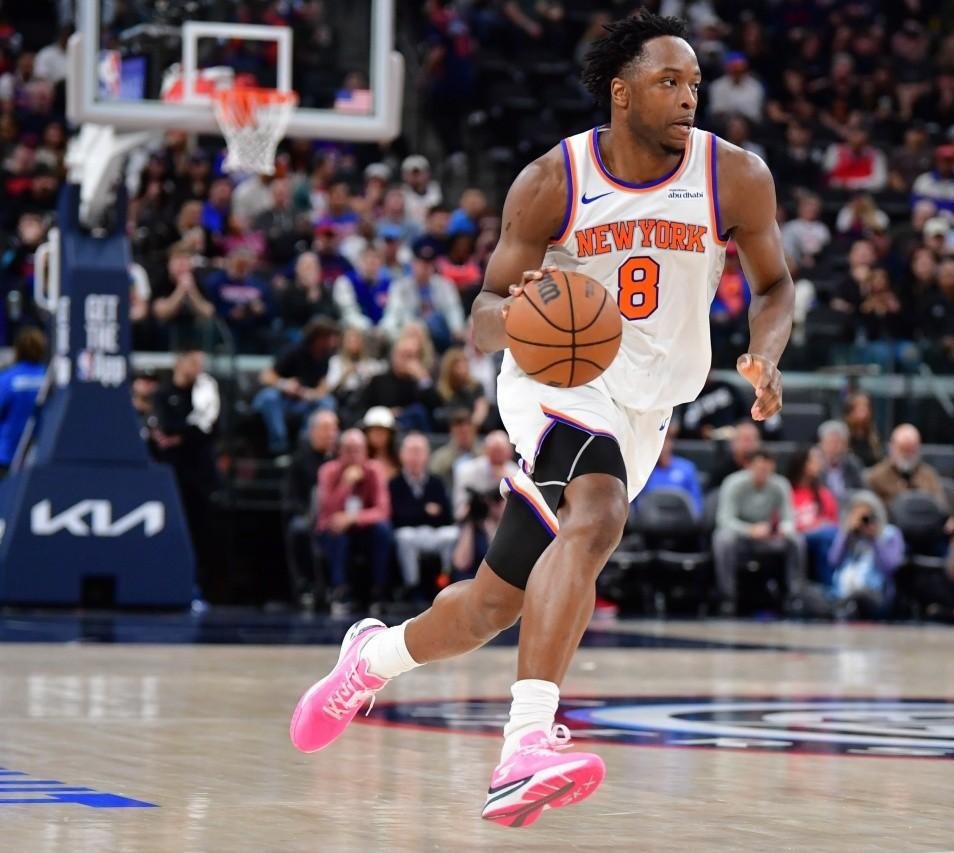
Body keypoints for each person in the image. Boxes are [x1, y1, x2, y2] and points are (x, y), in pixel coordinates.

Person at [289, 13, 794, 827]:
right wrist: (517, 313)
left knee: (494, 604)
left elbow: (774, 286)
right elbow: (483, 315)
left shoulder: (734, 175)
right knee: (598, 514)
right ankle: (524, 745)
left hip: (646, 406)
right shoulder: (552, 181)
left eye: (694, 84)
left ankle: (371, 658)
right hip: (556, 378)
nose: (687, 98)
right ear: (621, 92)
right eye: (668, 82)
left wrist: (765, 355)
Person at [149, 349, 220, 600]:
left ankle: (198, 588)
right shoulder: (163, 393)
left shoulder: (206, 392)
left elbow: (210, 430)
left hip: (201, 476)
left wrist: (180, 437)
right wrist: (185, 434)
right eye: (193, 362)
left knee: (201, 533)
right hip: (172, 475)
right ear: (179, 363)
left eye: (201, 363)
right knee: (171, 530)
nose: (198, 367)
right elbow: (166, 425)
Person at [713, 450, 805, 615]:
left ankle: (794, 597)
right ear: (749, 466)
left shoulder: (780, 484)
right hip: (740, 539)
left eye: (766, 470)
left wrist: (782, 529)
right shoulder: (733, 483)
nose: (762, 473)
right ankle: (727, 598)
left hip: (767, 539)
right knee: (722, 539)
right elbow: (724, 520)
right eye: (759, 469)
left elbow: (789, 519)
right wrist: (749, 530)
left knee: (796, 541)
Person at [314, 429, 393, 616]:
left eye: (358, 450)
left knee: (383, 531)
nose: (353, 455)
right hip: (335, 530)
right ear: (339, 451)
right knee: (336, 531)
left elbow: (383, 511)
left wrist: (353, 518)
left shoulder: (375, 469)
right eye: (348, 450)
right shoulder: (328, 471)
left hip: (364, 529)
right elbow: (327, 511)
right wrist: (345, 484)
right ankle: (340, 591)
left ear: (366, 451)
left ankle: (378, 591)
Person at [253, 317, 338, 456]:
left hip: (303, 402)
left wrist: (308, 393)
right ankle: (279, 448)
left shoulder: (326, 357)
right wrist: (285, 384)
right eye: (329, 337)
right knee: (269, 397)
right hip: (283, 400)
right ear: (318, 338)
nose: (333, 341)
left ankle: (306, 445)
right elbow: (266, 376)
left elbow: (323, 388)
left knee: (327, 401)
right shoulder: (294, 350)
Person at [390, 433, 458, 597]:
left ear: (427, 455)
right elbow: (398, 516)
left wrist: (415, 511)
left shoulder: (436, 482)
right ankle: (412, 586)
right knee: (404, 537)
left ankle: (446, 580)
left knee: (453, 534)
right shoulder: (395, 483)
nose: (415, 457)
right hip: (410, 533)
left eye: (419, 451)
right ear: (402, 455)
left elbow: (446, 515)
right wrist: (425, 510)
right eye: (411, 451)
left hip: (434, 532)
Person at [286, 410, 339, 609]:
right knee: (299, 528)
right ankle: (306, 584)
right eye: (325, 428)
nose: (331, 433)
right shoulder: (300, 460)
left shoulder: (341, 458)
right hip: (310, 514)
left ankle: (339, 589)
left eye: (334, 428)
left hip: (338, 514)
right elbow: (292, 497)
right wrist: (306, 513)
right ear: (313, 431)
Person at [825, 490, 905, 618]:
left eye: (866, 517)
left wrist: (875, 540)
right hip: (842, 592)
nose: (863, 521)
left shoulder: (890, 534)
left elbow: (891, 568)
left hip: (875, 594)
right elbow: (833, 561)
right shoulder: (848, 534)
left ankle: (837, 610)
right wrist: (847, 534)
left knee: (860, 596)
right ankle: (839, 608)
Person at [788, 446, 841, 591]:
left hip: (822, 537)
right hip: (796, 536)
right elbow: (782, 522)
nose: (819, 464)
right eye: (814, 460)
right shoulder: (787, 492)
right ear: (802, 463)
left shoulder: (824, 494)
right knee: (827, 534)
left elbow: (833, 524)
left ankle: (829, 589)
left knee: (828, 539)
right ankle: (831, 589)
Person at [865, 424, 946, 508]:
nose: (907, 455)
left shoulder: (928, 475)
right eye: (903, 450)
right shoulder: (876, 477)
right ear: (892, 447)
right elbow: (871, 509)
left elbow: (940, 506)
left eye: (911, 450)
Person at [0, 327, 46, 475]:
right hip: (39, 457)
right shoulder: (49, 380)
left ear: (18, 350)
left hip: (5, 456)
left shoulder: (7, 380)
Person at [635, 423, 703, 517]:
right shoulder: (644, 470)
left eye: (665, 441)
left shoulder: (687, 468)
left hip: (681, 522)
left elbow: (696, 506)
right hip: (650, 522)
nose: (662, 446)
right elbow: (637, 506)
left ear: (671, 442)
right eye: (657, 443)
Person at [452, 430, 520, 519]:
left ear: (510, 452)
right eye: (494, 450)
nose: (497, 455)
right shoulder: (467, 471)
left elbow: (518, 510)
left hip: (505, 520)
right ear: (485, 450)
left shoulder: (516, 473)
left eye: (501, 451)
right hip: (474, 520)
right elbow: (459, 511)